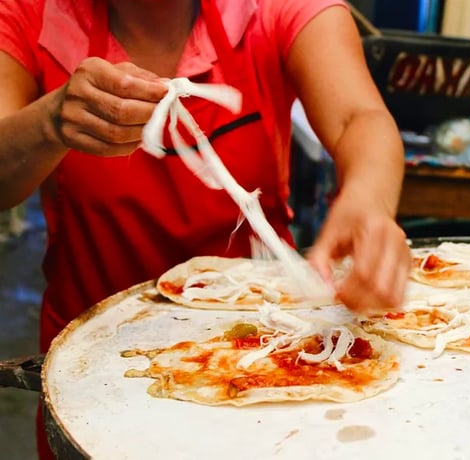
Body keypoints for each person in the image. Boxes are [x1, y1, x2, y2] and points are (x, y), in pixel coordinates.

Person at [0, 0, 410, 457]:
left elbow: (360, 117)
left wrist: (369, 201)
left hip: (271, 350)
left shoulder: (277, 9)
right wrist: (48, 123)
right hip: (95, 361)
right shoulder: (28, 14)